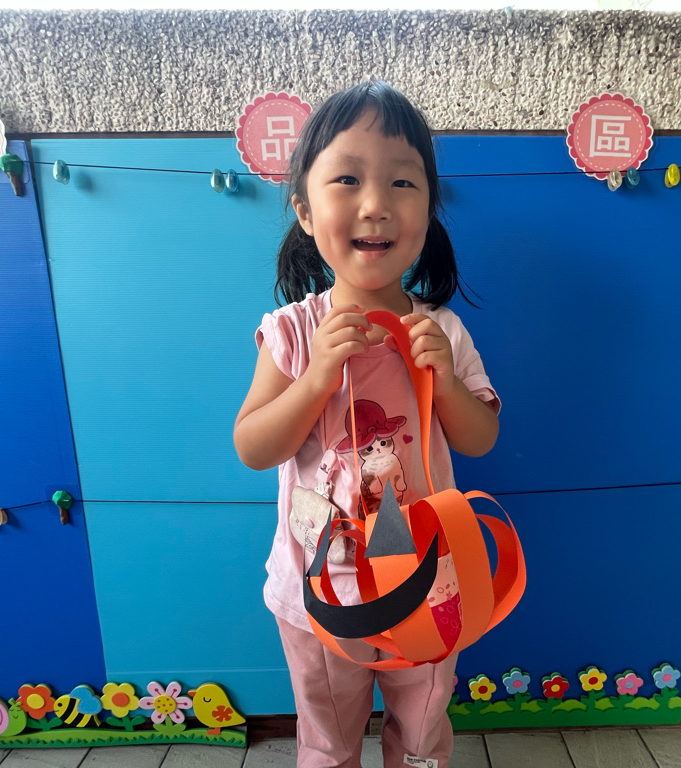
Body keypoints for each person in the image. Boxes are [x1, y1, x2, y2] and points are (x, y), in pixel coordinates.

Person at [234, 80, 500, 768]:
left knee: (423, 733)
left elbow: (480, 439)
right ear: (304, 209)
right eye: (347, 179)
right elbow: (253, 446)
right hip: (318, 591)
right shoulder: (293, 333)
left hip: (429, 579)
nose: (376, 203)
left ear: (427, 212)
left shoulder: (443, 331)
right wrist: (316, 379)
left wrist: (443, 381)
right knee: (327, 741)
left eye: (402, 182)